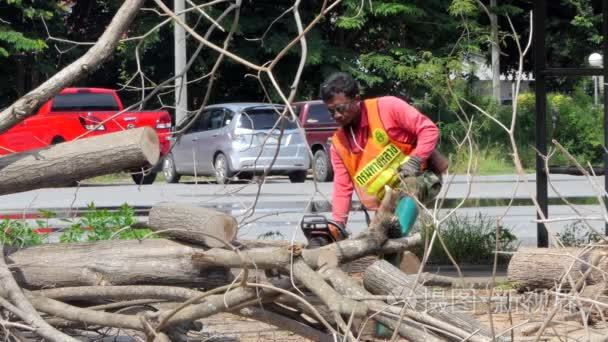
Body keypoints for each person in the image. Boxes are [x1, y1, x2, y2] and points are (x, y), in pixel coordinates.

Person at [321, 72, 445, 231]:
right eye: (331, 111)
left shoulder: (387, 107)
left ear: (357, 100)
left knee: (410, 186)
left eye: (340, 108)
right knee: (376, 240)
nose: (336, 115)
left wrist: (416, 159)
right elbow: (342, 189)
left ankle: (399, 236)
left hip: (422, 178)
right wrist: (337, 226)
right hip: (386, 201)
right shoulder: (339, 144)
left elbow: (429, 130)